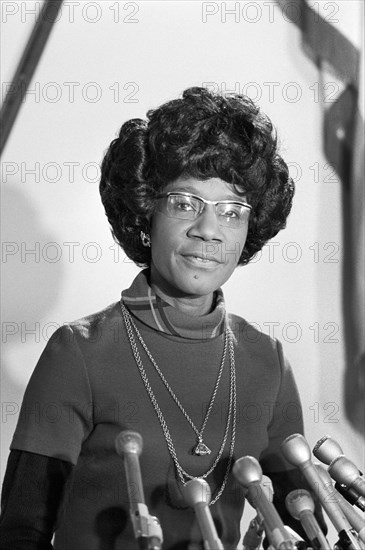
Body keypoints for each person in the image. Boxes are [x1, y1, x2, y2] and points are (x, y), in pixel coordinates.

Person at [0, 87, 323, 549]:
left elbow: (305, 523)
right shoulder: (79, 352)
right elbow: (19, 532)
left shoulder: (266, 360)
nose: (209, 230)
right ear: (146, 210)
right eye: (185, 203)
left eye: (232, 211)